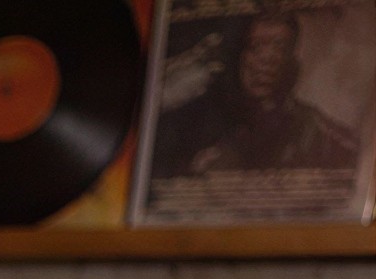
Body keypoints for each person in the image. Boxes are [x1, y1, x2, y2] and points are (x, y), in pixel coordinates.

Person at [153, 11, 361, 178]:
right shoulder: (193, 121)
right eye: (256, 47)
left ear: (291, 61)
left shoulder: (318, 131)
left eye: (279, 47)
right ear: (239, 56)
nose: (267, 59)